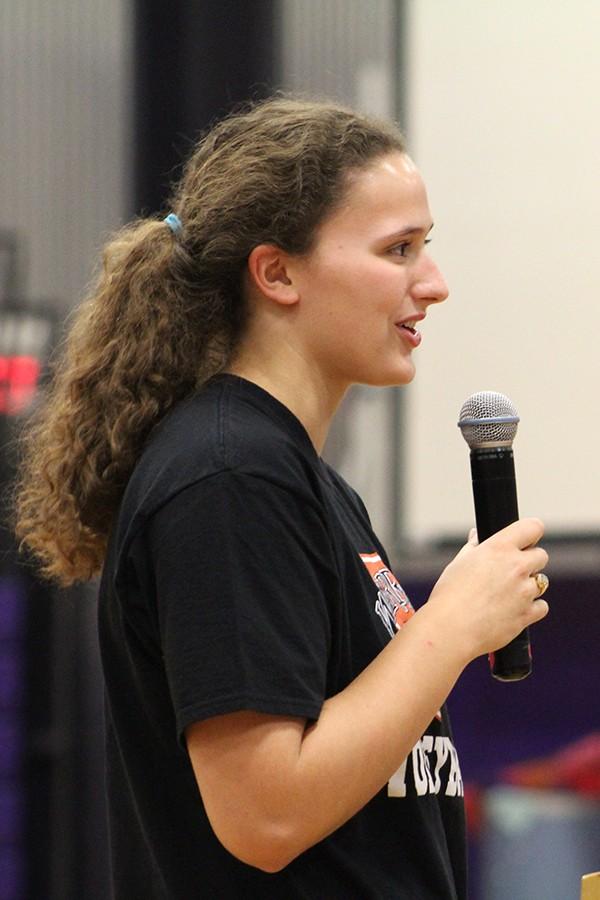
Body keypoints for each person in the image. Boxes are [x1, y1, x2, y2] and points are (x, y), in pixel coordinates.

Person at [13, 96, 549, 898]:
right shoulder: (231, 476)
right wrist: (451, 626)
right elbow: (264, 816)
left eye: (424, 248)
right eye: (397, 250)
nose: (432, 284)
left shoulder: (293, 475)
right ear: (277, 272)